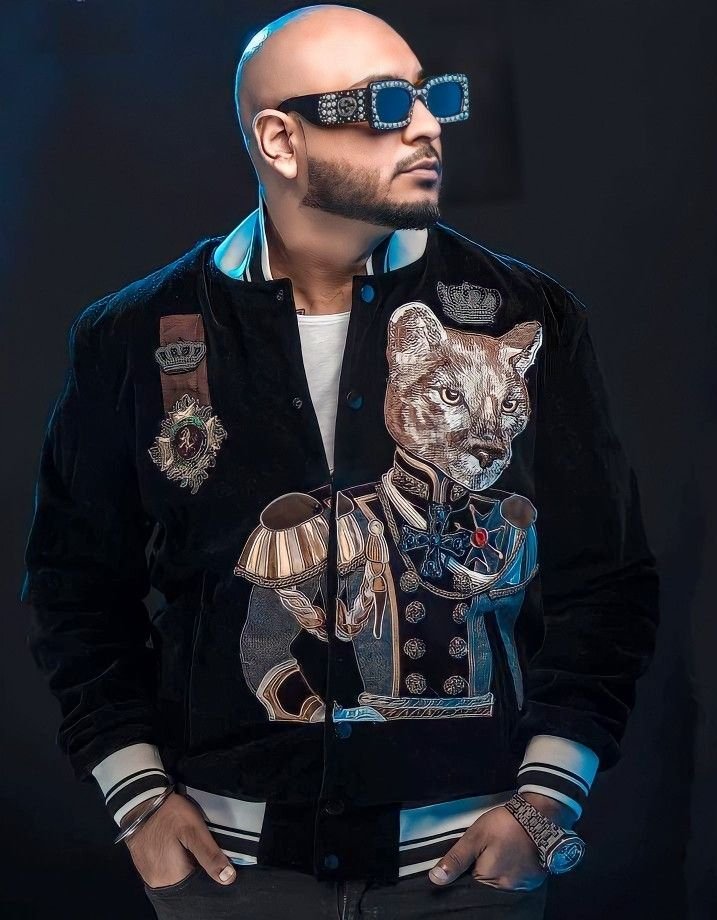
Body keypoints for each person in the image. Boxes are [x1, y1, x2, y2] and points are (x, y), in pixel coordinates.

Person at [20, 4, 660, 918]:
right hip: (228, 873)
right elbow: (75, 586)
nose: (428, 126)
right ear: (280, 140)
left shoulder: (530, 317)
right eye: (387, 103)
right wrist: (139, 799)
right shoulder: (131, 335)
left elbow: (609, 580)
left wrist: (546, 802)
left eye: (433, 97)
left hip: (468, 871)